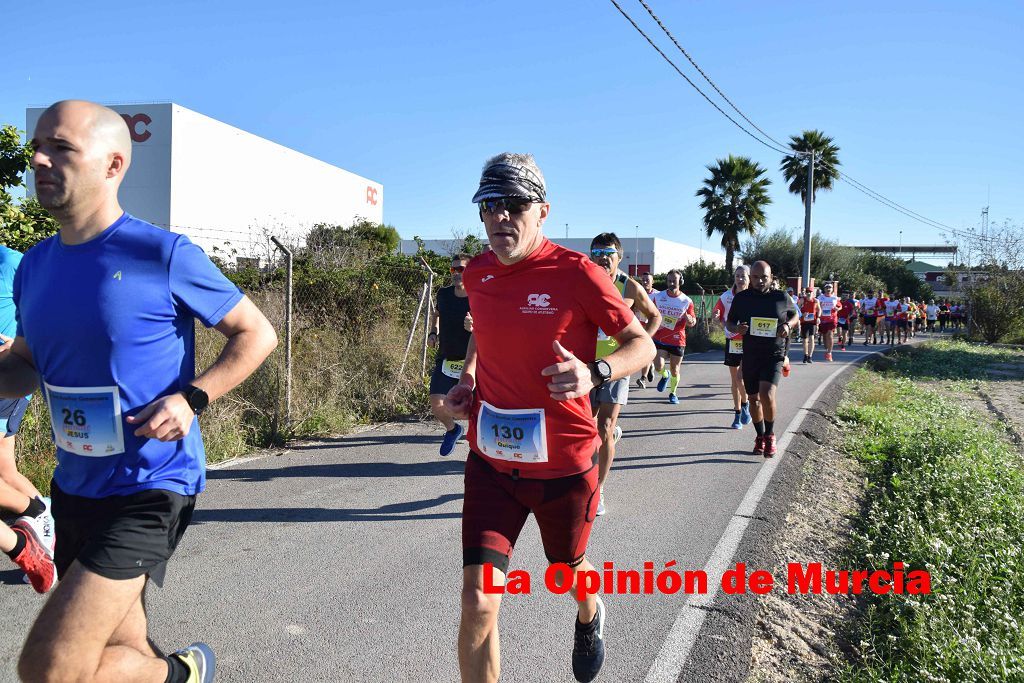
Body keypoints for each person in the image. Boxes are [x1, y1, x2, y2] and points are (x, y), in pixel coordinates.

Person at [5, 100, 277, 683]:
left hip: (151, 486)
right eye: (38, 145)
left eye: (60, 147)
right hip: (75, 485)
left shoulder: (162, 253)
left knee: (49, 669)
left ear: (112, 165)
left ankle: (182, 673)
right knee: (118, 653)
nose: (38, 159)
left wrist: (192, 399)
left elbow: (257, 332)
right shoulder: (34, 266)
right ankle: (170, 674)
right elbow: (28, 366)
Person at [445, 153, 654, 683]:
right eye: (489, 206)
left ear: (542, 211)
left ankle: (591, 612)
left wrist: (596, 371)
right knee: (478, 601)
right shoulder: (478, 272)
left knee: (566, 572)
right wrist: (467, 380)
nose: (500, 218)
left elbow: (642, 345)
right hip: (492, 466)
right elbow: (483, 333)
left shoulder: (578, 273)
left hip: (563, 468)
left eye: (514, 205)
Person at [588, 233, 660, 517]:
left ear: (619, 257)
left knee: (603, 427)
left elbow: (654, 316)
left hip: (618, 364)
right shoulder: (584, 281)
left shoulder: (628, 286)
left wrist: (641, 345)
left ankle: (598, 488)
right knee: (585, 427)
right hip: (585, 364)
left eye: (609, 252)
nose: (603, 257)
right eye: (597, 252)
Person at [0, 243, 57, 588]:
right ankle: (41, 518)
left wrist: (17, 347)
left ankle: (35, 517)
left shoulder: (12, 263)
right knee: (5, 469)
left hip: (7, 376)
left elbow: (48, 317)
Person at [725, 261, 798, 457]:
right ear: (751, 278)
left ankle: (771, 436)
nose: (759, 281)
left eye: (763, 277)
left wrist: (788, 326)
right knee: (754, 399)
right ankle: (760, 436)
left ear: (771, 277)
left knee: (766, 394)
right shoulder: (742, 299)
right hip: (750, 354)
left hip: (773, 354)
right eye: (755, 277)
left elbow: (795, 316)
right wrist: (737, 329)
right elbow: (730, 322)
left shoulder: (781, 297)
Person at [428, 253, 473, 456]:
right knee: (436, 405)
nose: (456, 273)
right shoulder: (444, 294)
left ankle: (482, 446)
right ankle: (453, 430)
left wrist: (475, 328)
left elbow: (494, 327)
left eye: (461, 269)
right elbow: (437, 314)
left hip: (471, 361)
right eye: (453, 269)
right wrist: (433, 332)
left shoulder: (479, 296)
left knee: (476, 408)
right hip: (446, 357)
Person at [712, 265, 752, 429]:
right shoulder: (727, 296)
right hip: (733, 340)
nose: (740, 279)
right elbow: (717, 316)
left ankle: (746, 403)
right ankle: (737, 413)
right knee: (735, 379)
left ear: (749, 277)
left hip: (750, 341)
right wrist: (720, 322)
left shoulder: (754, 296)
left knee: (741, 379)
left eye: (743, 276)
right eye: (737, 276)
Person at [651, 270, 696, 404]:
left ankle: (673, 393)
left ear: (680, 282)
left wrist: (690, 320)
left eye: (674, 281)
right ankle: (665, 376)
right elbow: (651, 313)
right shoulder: (658, 297)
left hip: (677, 339)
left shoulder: (686, 301)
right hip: (660, 337)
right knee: (658, 365)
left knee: (675, 370)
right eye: (669, 281)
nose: (671, 283)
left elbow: (692, 321)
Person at [635, 271, 658, 387]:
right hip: (638, 325)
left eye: (647, 280)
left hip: (651, 327)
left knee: (646, 350)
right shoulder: (637, 293)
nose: (644, 282)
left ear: (652, 282)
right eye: (643, 280)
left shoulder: (658, 296)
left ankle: (643, 378)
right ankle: (650, 365)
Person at [816, 283, 839, 361]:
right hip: (823, 320)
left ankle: (829, 353)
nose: (828, 289)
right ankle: (827, 349)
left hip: (832, 319)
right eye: (827, 288)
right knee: (825, 337)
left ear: (832, 289)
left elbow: (840, 306)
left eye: (830, 287)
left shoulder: (835, 298)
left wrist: (837, 309)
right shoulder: (820, 298)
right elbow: (816, 307)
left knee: (830, 335)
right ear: (824, 289)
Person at [797, 286, 820, 363]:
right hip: (804, 322)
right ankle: (805, 355)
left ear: (812, 293)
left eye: (810, 292)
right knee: (805, 339)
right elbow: (797, 309)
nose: (808, 293)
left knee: (812, 338)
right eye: (807, 292)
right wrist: (802, 314)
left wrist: (818, 317)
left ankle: (810, 356)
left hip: (812, 322)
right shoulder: (802, 300)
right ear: (805, 292)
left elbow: (819, 309)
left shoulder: (816, 301)